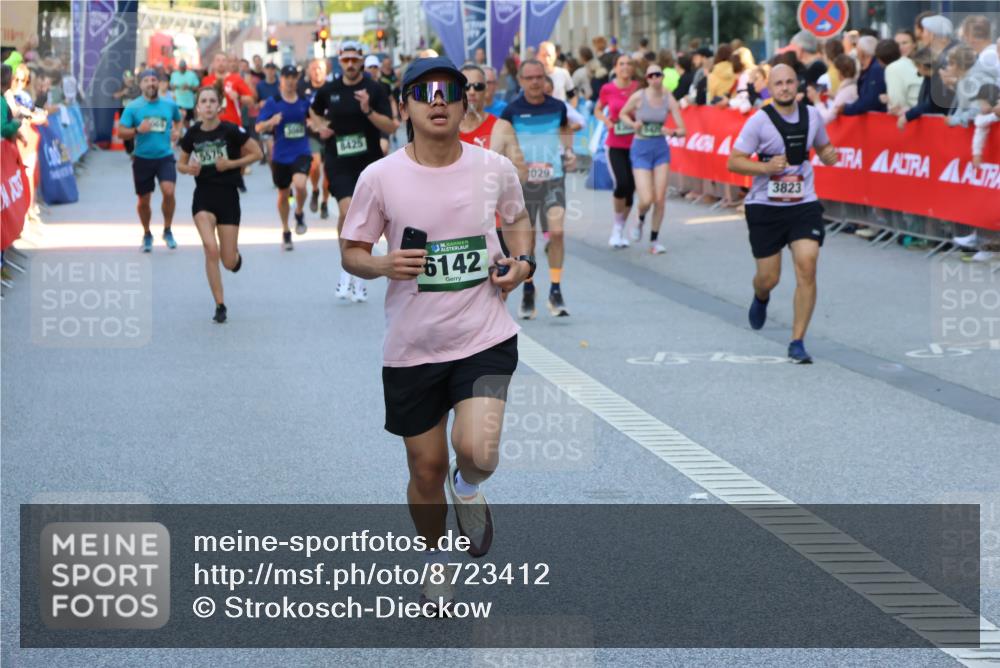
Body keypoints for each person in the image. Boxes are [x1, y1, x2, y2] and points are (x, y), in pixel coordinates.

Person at [340, 57, 533, 612]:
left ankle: (468, 486)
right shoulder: (379, 177)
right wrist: (383, 264)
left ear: (465, 101)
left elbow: (518, 220)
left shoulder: (494, 167)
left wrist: (522, 264)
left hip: (484, 335)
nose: (438, 100)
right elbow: (352, 253)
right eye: (423, 93)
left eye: (449, 90)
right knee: (424, 470)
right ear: (404, 107)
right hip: (412, 347)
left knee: (479, 451)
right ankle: (434, 556)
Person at [727, 64, 840, 364]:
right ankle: (761, 295)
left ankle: (797, 341)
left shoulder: (812, 115)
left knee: (807, 264)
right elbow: (734, 162)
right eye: (779, 83)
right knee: (769, 278)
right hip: (765, 206)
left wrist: (829, 155)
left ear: (797, 84)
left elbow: (824, 147)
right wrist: (765, 167)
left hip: (803, 203)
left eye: (790, 82)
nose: (785, 88)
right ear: (770, 87)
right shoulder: (759, 121)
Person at [310, 41, 396, 303]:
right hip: (338, 160)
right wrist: (320, 127)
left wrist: (368, 110)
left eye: (354, 60)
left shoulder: (374, 89)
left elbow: (391, 126)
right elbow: (312, 112)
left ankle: (359, 267)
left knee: (368, 217)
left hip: (369, 163)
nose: (350, 64)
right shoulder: (329, 89)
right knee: (347, 211)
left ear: (361, 61)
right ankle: (349, 267)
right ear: (340, 61)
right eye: (345, 60)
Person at [178, 85, 262, 323]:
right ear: (197, 107)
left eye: (212, 101)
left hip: (228, 197)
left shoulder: (231, 130)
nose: (208, 105)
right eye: (203, 101)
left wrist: (231, 164)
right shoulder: (192, 134)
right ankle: (220, 304)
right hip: (203, 196)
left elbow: (257, 153)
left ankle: (235, 259)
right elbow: (180, 164)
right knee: (210, 248)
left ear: (219, 106)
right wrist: (189, 169)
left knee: (227, 261)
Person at [501, 59, 576, 319]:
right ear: (521, 81)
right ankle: (529, 288)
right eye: (529, 78)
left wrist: (569, 151)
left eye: (539, 77)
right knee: (529, 241)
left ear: (545, 79)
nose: (535, 82)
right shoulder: (511, 111)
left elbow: (565, 129)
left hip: (553, 179)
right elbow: (503, 143)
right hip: (523, 184)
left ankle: (555, 289)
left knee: (557, 233)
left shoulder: (558, 107)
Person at [618, 63, 686, 255]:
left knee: (660, 198)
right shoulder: (639, 96)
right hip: (641, 148)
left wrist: (671, 132)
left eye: (658, 74)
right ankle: (640, 218)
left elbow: (683, 130)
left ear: (662, 77)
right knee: (646, 198)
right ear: (647, 79)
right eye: (651, 76)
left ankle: (654, 241)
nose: (655, 78)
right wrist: (633, 124)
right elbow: (622, 113)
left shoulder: (668, 98)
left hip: (660, 149)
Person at [117, 69, 183, 252]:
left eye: (154, 80)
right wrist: (137, 130)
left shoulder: (169, 104)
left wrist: (177, 132)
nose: (151, 83)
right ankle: (147, 233)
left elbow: (178, 119)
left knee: (168, 191)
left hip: (165, 156)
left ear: (158, 83)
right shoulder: (133, 107)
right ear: (140, 85)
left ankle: (167, 230)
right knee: (144, 200)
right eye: (146, 80)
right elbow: (121, 132)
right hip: (142, 158)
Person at [256, 65, 312, 251]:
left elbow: (314, 118)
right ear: (281, 80)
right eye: (286, 77)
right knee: (283, 194)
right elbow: (258, 127)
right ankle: (286, 230)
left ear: (297, 79)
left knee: (301, 185)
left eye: (293, 77)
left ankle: (299, 212)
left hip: (301, 151)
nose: (290, 80)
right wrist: (270, 122)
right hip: (280, 155)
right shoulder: (274, 102)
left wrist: (315, 124)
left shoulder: (304, 100)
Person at [594, 53, 639, 248]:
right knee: (622, 184)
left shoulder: (638, 88)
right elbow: (597, 109)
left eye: (629, 64)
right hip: (615, 145)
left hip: (637, 145)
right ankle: (617, 227)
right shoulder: (608, 89)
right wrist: (606, 121)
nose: (625, 67)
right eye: (621, 64)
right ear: (615, 68)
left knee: (631, 189)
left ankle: (620, 227)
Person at [298, 58, 331, 220]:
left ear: (325, 71)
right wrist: (307, 121)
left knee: (329, 172)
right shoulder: (302, 88)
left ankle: (324, 202)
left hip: (330, 133)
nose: (317, 71)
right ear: (309, 71)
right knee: (315, 164)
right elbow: (297, 109)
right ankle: (315, 190)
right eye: (314, 68)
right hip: (312, 134)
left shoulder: (332, 87)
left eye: (320, 69)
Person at [840, 36, 886, 115]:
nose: (856, 53)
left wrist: (847, 109)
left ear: (862, 52)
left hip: (877, 117)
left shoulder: (876, 69)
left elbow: (871, 100)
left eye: (857, 49)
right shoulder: (868, 68)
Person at [809, 54, 858, 123]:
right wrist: (835, 96)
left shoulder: (846, 91)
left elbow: (827, 118)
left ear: (839, 72)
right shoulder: (854, 87)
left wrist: (817, 101)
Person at [255, 62, 279, 164]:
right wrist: (260, 103)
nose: (270, 71)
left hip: (279, 119)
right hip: (265, 120)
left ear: (275, 71)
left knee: (278, 151)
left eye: (272, 69)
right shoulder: (260, 85)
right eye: (268, 69)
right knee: (272, 153)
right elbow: (255, 103)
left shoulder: (280, 84)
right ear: (264, 70)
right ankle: (275, 171)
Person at [170, 59, 200, 126]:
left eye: (183, 67)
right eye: (180, 67)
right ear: (178, 67)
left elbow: (197, 87)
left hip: (189, 103)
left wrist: (189, 87)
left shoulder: (192, 75)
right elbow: (171, 86)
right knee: (178, 121)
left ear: (186, 67)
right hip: (178, 102)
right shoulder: (174, 75)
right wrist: (174, 86)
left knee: (187, 122)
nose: (182, 69)